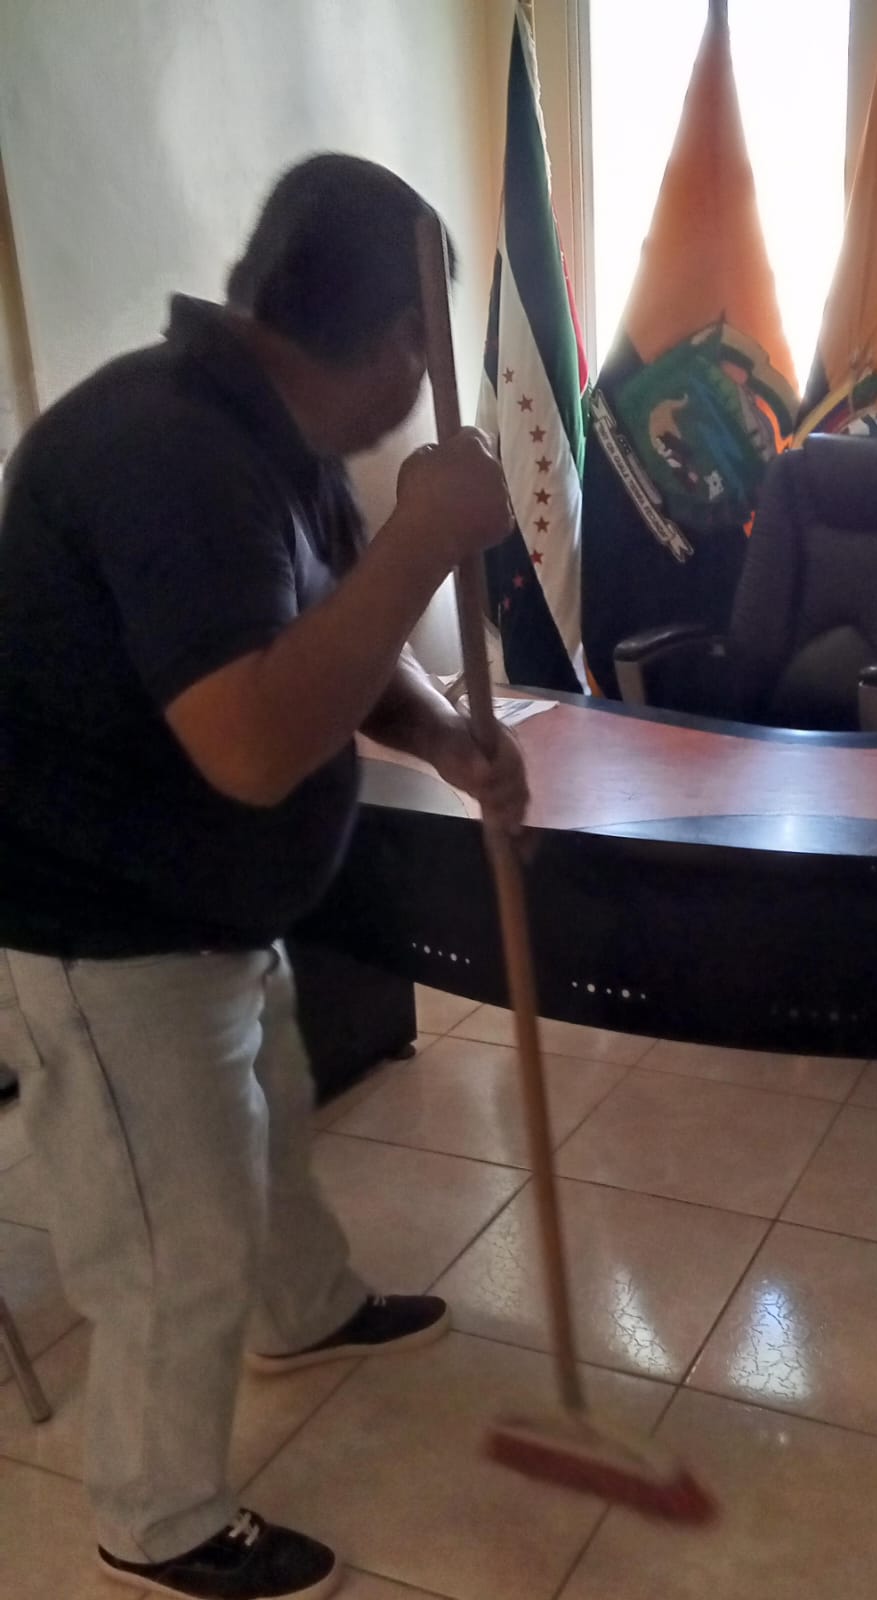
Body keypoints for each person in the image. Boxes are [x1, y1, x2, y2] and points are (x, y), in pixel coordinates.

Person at [0, 154, 525, 1600]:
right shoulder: (165, 454)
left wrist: (447, 738)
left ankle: (305, 1312)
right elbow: (248, 743)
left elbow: (332, 637)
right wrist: (424, 537)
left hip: (211, 912)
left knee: (269, 1123)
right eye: (425, 348)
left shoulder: (265, 430)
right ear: (405, 339)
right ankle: (156, 1520)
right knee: (173, 1243)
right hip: (106, 935)